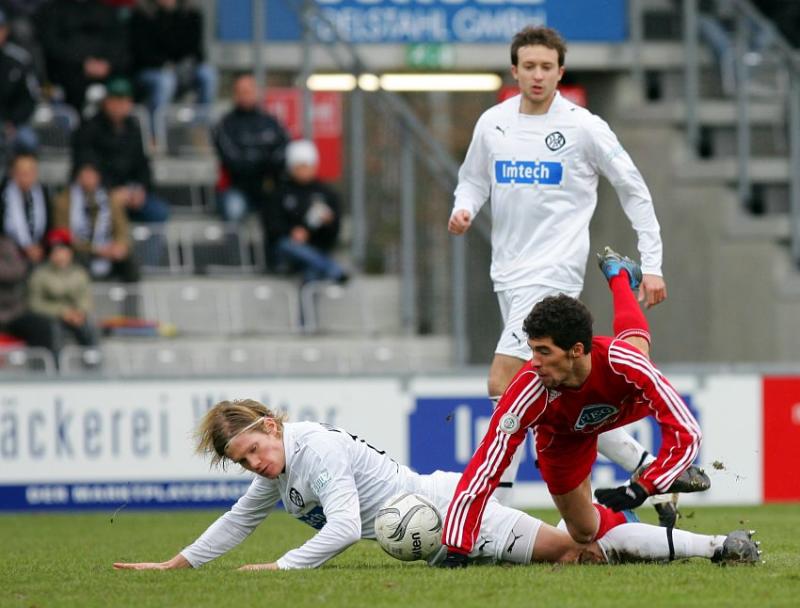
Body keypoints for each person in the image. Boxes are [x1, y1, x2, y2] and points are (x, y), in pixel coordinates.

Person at [446, 25, 673, 519]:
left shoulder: (583, 127)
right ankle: (644, 465)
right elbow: (472, 181)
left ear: (560, 72)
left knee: (504, 380)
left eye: (546, 67)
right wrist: (463, 209)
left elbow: (633, 188)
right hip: (508, 273)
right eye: (529, 66)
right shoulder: (494, 123)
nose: (538, 75)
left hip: (554, 271)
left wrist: (652, 264)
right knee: (557, 391)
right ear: (514, 70)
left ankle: (494, 514)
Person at [112, 399, 759, 572]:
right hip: (436, 523)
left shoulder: (314, 450)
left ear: (271, 427)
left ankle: (714, 548)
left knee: (575, 549)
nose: (254, 465)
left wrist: (280, 569)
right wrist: (176, 565)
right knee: (572, 552)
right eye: (243, 461)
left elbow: (344, 528)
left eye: (253, 450)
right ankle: (669, 538)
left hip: (452, 509)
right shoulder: (282, 469)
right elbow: (238, 519)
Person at [440, 249, 704, 567]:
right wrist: (456, 547)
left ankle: (619, 276)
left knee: (636, 352)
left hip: (622, 403)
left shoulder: (622, 364)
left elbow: (687, 431)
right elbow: (487, 464)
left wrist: (644, 486)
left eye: (544, 351)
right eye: (531, 350)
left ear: (576, 350)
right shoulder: (528, 389)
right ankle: (625, 523)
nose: (533, 362)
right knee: (583, 532)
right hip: (563, 437)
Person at [72, 77, 169, 223]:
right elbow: (87, 166)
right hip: (100, 194)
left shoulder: (133, 129)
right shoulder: (89, 128)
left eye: (124, 100)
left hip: (129, 194)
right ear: (106, 102)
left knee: (159, 211)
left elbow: (143, 167)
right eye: (115, 100)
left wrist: (140, 190)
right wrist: (110, 191)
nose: (120, 105)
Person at [264, 140, 347, 283]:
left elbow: (334, 230)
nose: (304, 170)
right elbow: (271, 224)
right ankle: (332, 268)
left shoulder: (326, 194)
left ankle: (318, 272)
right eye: (299, 166)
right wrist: (292, 232)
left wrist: (328, 223)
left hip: (315, 247)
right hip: (286, 250)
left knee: (311, 273)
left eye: (307, 165)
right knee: (290, 246)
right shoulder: (280, 193)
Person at [130, 0, 216, 130]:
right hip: (150, 71)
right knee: (166, 81)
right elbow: (141, 53)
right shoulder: (142, 13)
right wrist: (164, 65)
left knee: (208, 74)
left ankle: (199, 128)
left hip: (182, 70)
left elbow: (196, 51)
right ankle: (156, 133)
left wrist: (185, 64)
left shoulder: (191, 13)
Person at [213, 73, 289, 222]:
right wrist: (264, 161)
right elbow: (234, 162)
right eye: (240, 92)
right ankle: (233, 239)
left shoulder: (271, 122)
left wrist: (255, 160)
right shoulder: (226, 124)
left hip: (270, 187)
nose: (244, 96)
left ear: (257, 92)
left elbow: (282, 152)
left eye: (248, 91)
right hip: (237, 188)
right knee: (234, 208)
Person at [34, 0, 131, 112]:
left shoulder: (105, 10)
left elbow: (119, 41)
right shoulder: (54, 10)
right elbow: (51, 45)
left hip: (106, 71)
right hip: (68, 72)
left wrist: (108, 63)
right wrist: (82, 63)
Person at [52, 163, 139, 283]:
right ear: (77, 177)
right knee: (73, 258)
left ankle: (130, 295)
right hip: (79, 250)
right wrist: (96, 250)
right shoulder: (63, 201)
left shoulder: (110, 198)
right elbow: (62, 234)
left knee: (130, 262)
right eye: (85, 175)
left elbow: (122, 229)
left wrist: (120, 245)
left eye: (92, 175)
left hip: (108, 247)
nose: (89, 179)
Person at [28, 228, 98, 348]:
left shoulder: (79, 273)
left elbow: (85, 298)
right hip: (50, 317)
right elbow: (35, 304)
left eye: (63, 249)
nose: (59, 254)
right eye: (55, 251)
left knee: (89, 326)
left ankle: (92, 357)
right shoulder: (40, 274)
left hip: (76, 316)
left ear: (70, 252)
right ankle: (56, 360)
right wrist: (62, 312)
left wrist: (79, 312)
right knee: (53, 330)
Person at [0, 233, 57, 352]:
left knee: (42, 326)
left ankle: (40, 363)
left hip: (12, 314)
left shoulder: (6, 244)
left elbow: (18, 270)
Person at [0, 7, 39, 154]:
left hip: (13, 122)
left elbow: (30, 97)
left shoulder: (19, 59)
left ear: (6, 30)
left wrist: (13, 122)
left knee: (28, 140)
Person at [0, 151, 49, 264]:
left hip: (40, 249)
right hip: (8, 252)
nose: (27, 175)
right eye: (22, 171)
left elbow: (49, 226)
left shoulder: (43, 192)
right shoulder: (3, 194)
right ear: (13, 173)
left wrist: (39, 247)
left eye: (31, 171)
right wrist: (25, 247)